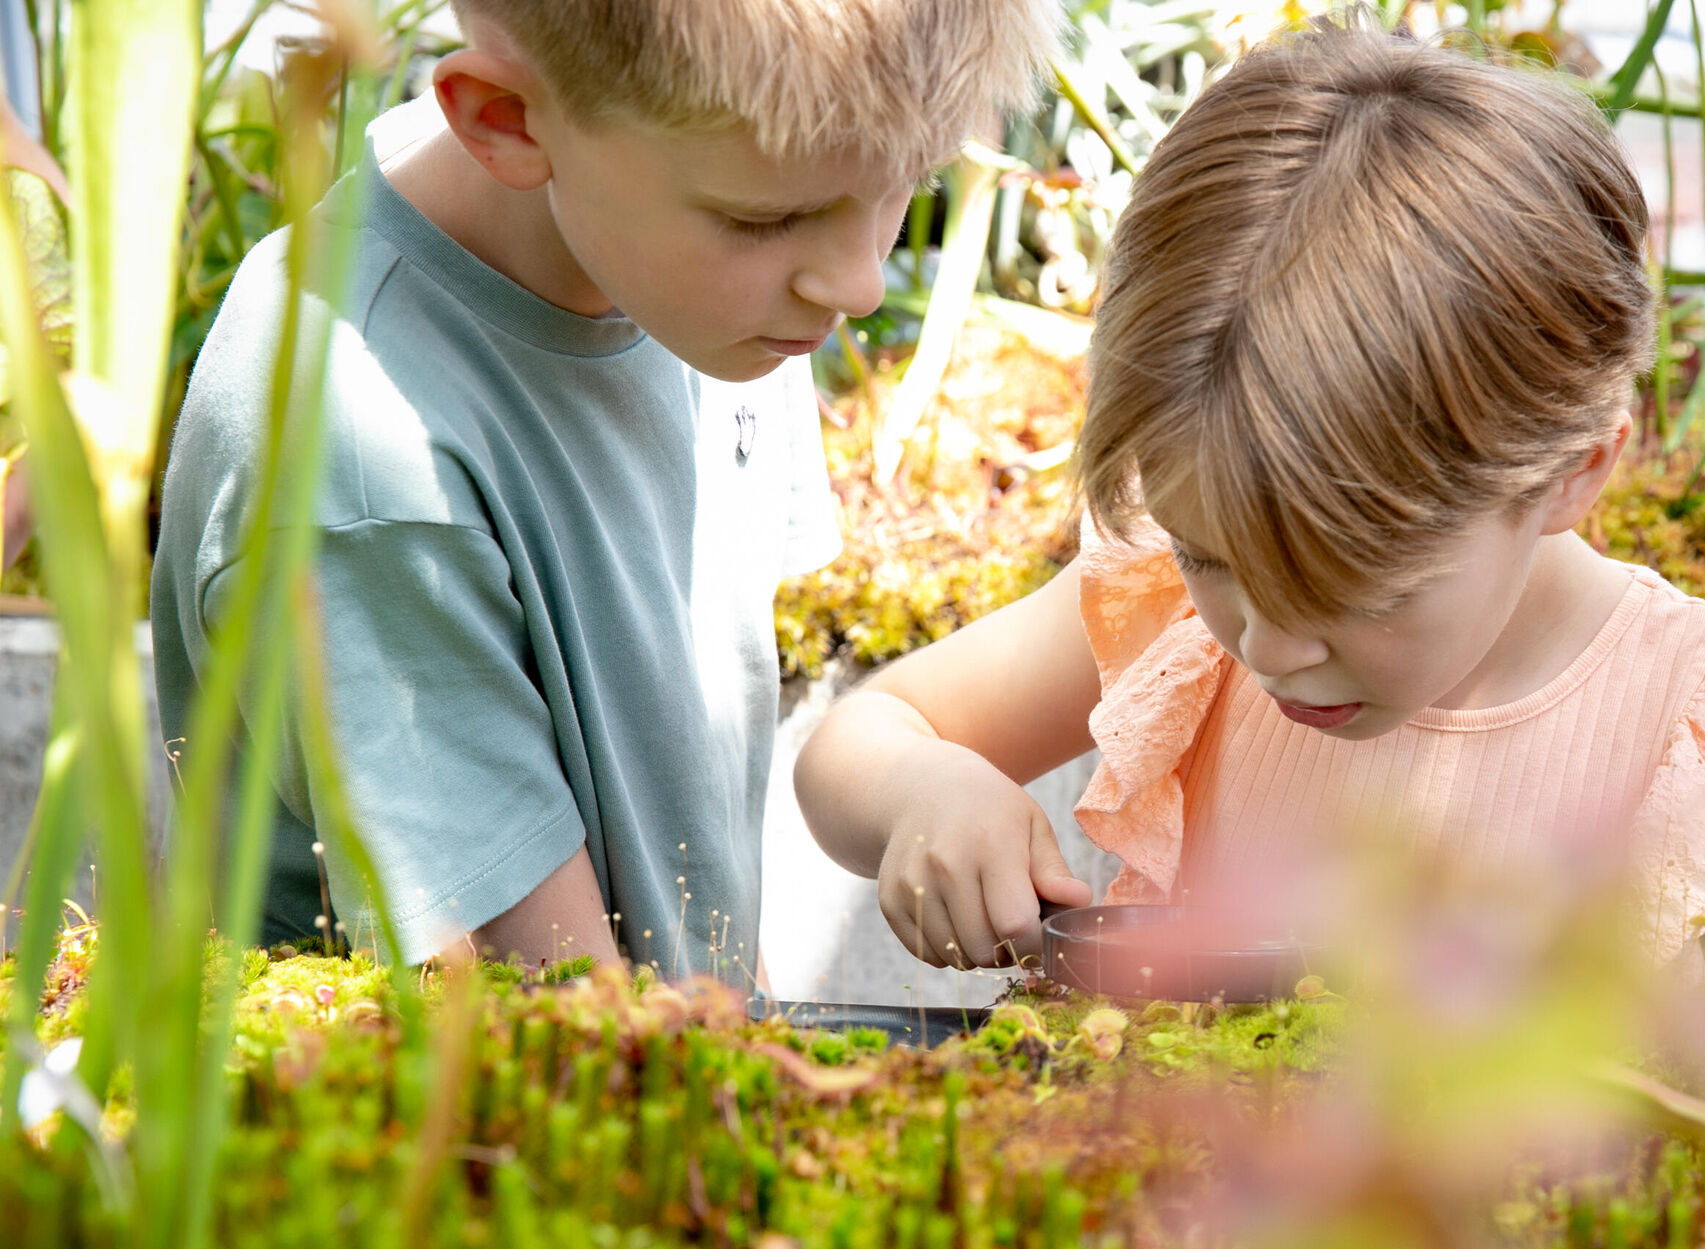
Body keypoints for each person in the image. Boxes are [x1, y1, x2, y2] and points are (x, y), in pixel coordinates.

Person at [794, 21, 1705, 981]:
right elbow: (857, 742)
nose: (1268, 645)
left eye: (1356, 587)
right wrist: (928, 791)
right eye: (1209, 556)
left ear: (1571, 469)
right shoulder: (1169, 619)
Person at [152, 0, 1055, 988]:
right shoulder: (361, 459)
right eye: (764, 218)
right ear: (503, 120)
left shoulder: (705, 256)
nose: (857, 284)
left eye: (905, 185)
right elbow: (543, 1012)